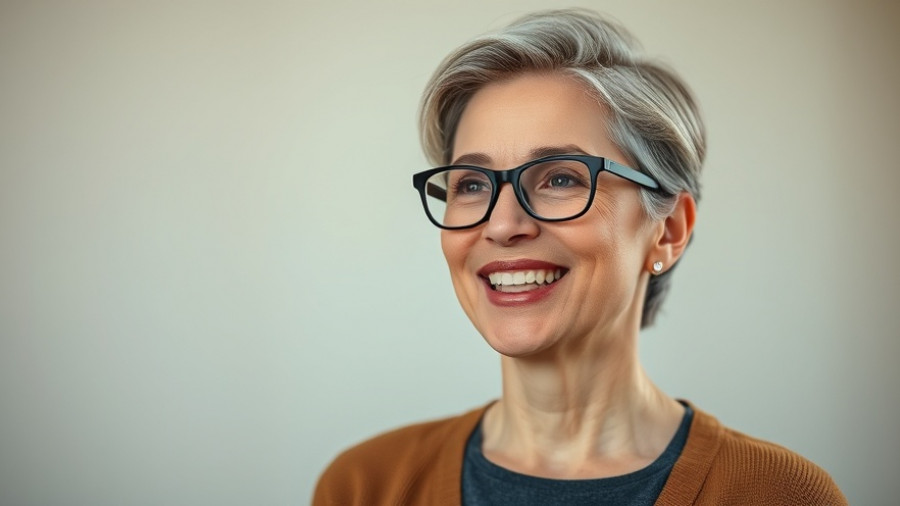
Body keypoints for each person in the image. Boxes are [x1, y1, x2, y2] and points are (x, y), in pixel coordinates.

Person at [313, 9, 847, 505]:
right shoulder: (366, 484)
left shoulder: (780, 494)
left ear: (668, 231)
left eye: (561, 178)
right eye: (472, 184)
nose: (502, 224)